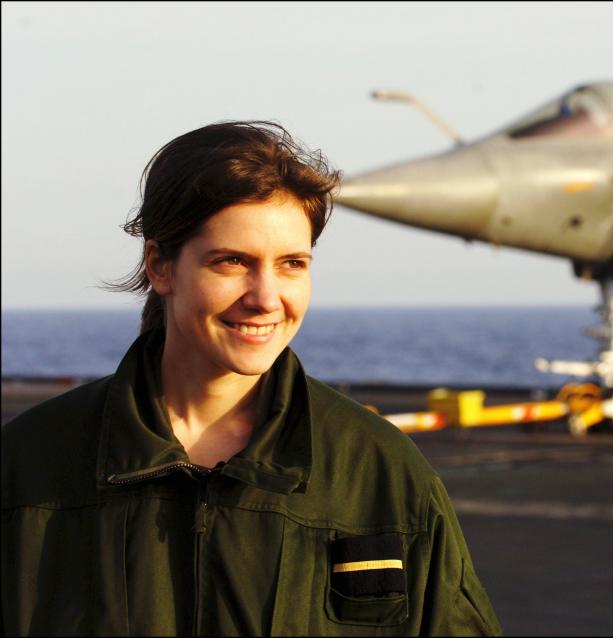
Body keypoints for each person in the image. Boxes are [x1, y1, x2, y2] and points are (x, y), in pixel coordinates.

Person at [1, 121, 502, 636]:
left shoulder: (382, 473)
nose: (266, 297)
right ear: (160, 266)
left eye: (291, 264)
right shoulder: (27, 466)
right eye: (232, 262)